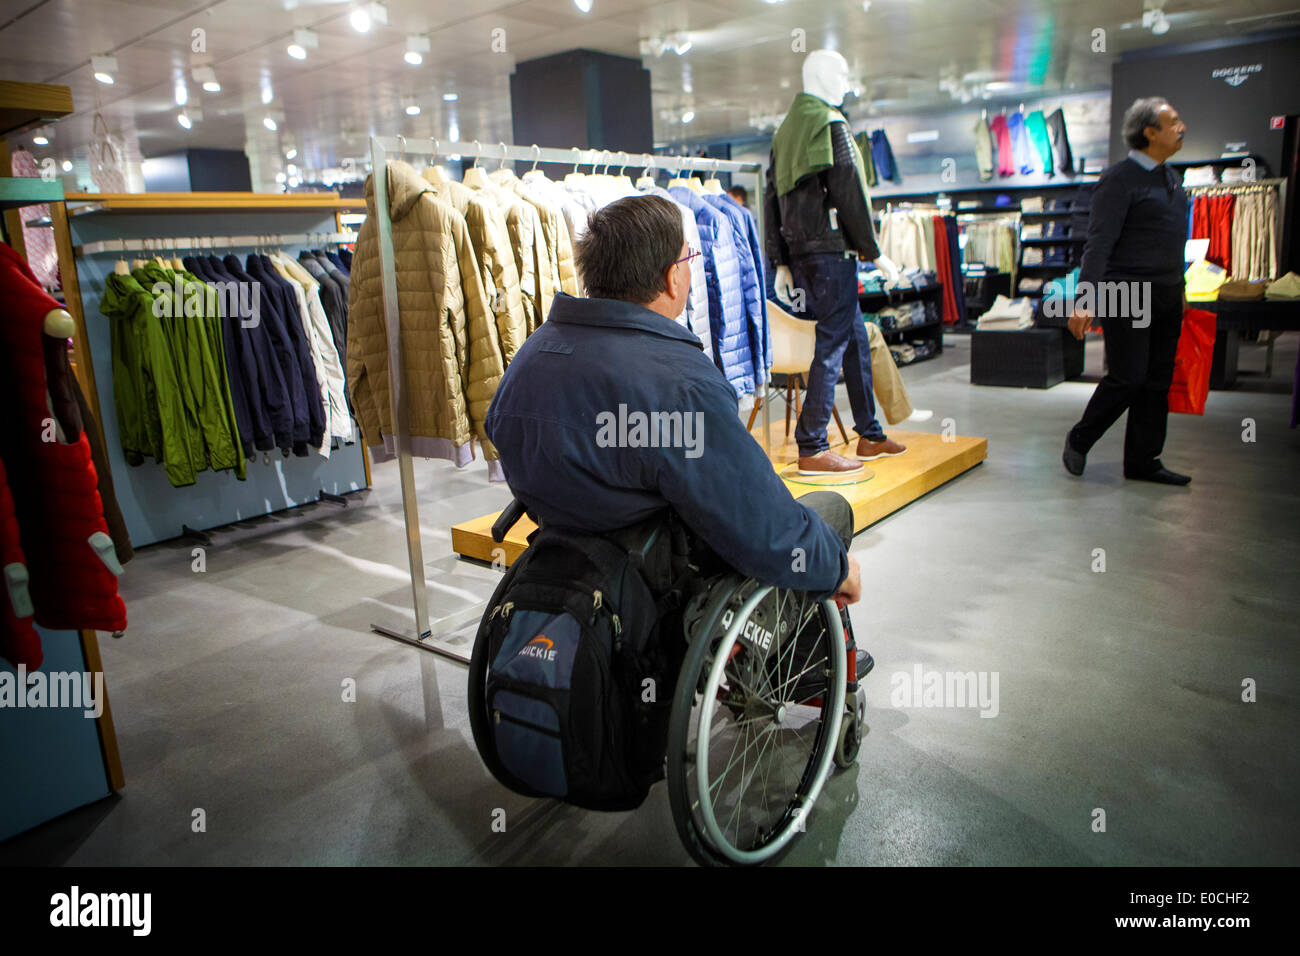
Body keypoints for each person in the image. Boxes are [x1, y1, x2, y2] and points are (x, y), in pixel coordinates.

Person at [486, 195, 867, 655]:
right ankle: (804, 668)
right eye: (689, 259)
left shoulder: (530, 357)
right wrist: (837, 568)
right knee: (828, 515)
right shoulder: (680, 384)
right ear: (672, 277)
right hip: (665, 585)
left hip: (569, 560)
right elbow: (765, 527)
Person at [765, 49, 906, 476]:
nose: (847, 82)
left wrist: (780, 260)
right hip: (832, 253)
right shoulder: (831, 125)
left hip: (803, 255)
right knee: (830, 346)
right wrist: (874, 251)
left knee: (855, 338)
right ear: (823, 76)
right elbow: (850, 193)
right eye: (842, 73)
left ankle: (870, 433)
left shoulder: (785, 132)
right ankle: (812, 445)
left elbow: (771, 198)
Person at [1063, 97, 1192, 485]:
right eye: (1173, 122)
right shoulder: (1119, 180)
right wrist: (1085, 299)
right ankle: (1080, 438)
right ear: (1150, 132)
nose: (1182, 128)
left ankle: (1143, 460)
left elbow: (1173, 240)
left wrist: (1181, 288)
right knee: (1128, 377)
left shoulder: (1171, 178)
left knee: (1157, 380)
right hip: (1127, 292)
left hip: (1167, 291)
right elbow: (1099, 242)